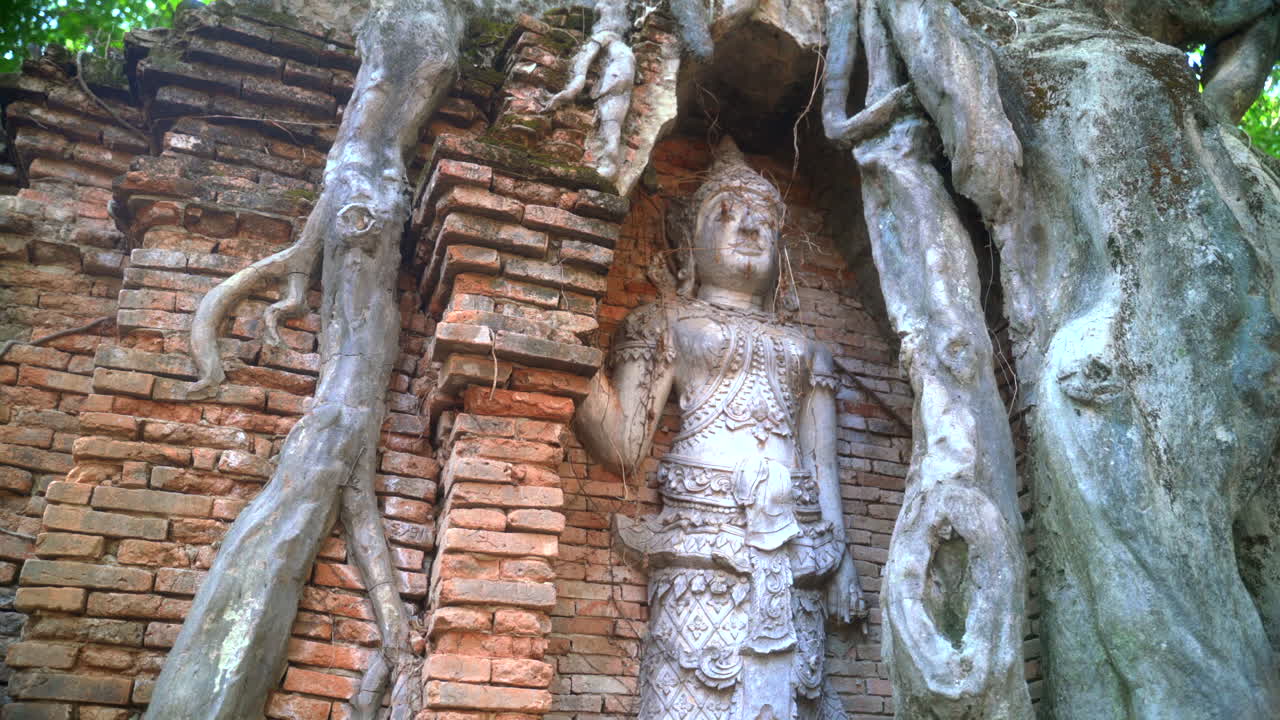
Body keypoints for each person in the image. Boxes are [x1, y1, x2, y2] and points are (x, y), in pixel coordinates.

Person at [576, 137, 864, 720]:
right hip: (698, 538)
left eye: (764, 220)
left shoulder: (806, 347)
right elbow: (625, 445)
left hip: (800, 546)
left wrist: (844, 567)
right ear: (689, 238)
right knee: (692, 690)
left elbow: (821, 463)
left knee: (794, 695)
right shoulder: (666, 322)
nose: (749, 227)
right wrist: (567, 359)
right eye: (726, 214)